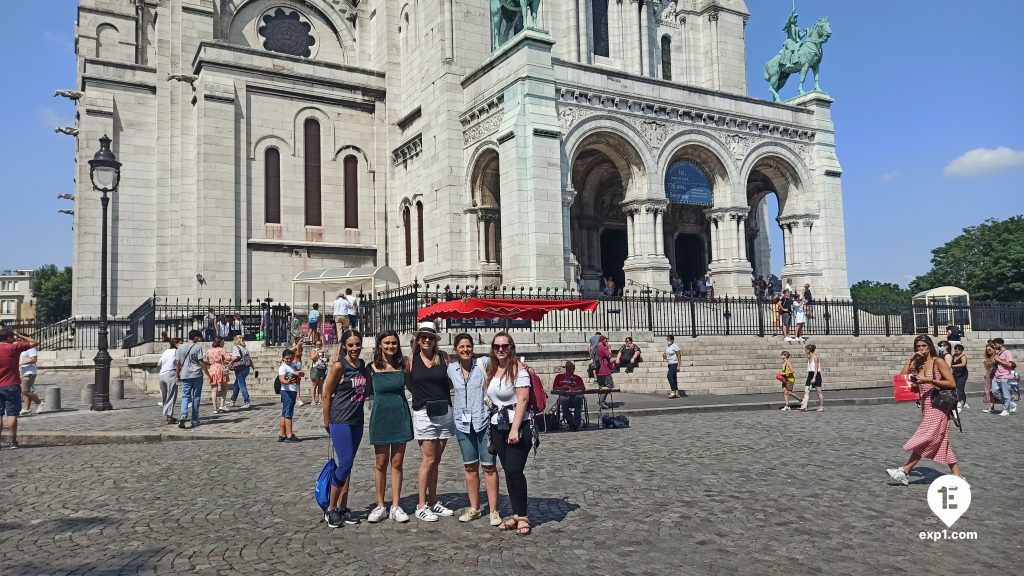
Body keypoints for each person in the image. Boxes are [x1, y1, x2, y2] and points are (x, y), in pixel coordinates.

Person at [887, 335, 963, 485]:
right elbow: (902, 377)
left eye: (923, 346)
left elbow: (951, 383)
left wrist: (928, 380)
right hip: (926, 406)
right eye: (918, 347)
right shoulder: (919, 364)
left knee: (926, 437)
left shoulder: (938, 361)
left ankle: (904, 471)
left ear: (929, 346)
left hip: (939, 406)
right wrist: (911, 360)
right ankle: (958, 477)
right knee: (941, 441)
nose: (921, 349)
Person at [483, 332, 535, 535]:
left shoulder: (519, 370)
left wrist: (515, 429)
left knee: (514, 470)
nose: (501, 349)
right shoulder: (492, 368)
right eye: (497, 346)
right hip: (498, 425)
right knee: (508, 471)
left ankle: (522, 516)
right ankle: (515, 513)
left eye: (505, 346)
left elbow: (522, 399)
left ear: (511, 347)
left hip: (518, 426)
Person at [448, 333, 503, 525]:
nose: (465, 350)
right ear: (455, 350)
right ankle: (475, 508)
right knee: (470, 467)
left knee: (489, 466)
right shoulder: (451, 369)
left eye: (468, 346)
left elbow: (505, 362)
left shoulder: (484, 363)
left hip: (484, 421)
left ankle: (494, 510)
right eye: (461, 347)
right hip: (463, 425)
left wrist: (523, 367)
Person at [407, 321, 456, 521]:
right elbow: (409, 384)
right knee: (428, 460)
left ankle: (434, 501)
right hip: (423, 412)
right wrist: (422, 396)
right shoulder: (411, 360)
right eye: (423, 337)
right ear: (418, 340)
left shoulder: (444, 358)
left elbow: (452, 382)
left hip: (443, 410)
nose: (426, 340)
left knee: (436, 460)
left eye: (430, 337)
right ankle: (421, 505)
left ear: (435, 340)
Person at [322, 329, 370, 528]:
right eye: (350, 345)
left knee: (347, 465)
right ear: (344, 346)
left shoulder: (362, 366)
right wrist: (327, 421)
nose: (354, 348)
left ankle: (343, 506)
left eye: (357, 344)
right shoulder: (338, 366)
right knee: (345, 463)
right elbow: (326, 394)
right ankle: (330, 509)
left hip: (356, 419)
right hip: (340, 419)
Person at [365, 330, 414, 523]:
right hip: (380, 417)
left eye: (393, 343)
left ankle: (395, 505)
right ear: (379, 345)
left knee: (397, 463)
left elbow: (413, 387)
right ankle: (380, 505)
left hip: (400, 416)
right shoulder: (371, 368)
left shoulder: (404, 365)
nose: (390, 346)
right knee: (380, 463)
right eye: (386, 343)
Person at [1, 328, 39, 449]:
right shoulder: (13, 348)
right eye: (12, 336)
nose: (14, 338)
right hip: (11, 385)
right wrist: (20, 335)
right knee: (12, 414)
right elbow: (34, 342)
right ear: (8, 338)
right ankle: (13, 441)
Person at [176, 330, 206, 429]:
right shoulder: (197, 347)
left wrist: (177, 375)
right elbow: (201, 362)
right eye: (199, 337)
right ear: (195, 337)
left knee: (185, 396)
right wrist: (207, 373)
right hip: (197, 374)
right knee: (196, 397)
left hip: (185, 374)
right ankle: (194, 419)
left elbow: (178, 363)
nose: (199, 339)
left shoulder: (180, 347)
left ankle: (183, 414)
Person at [278, 345, 304, 442]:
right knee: (288, 413)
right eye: (286, 359)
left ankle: (282, 434)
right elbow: (282, 379)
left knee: (284, 413)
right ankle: (289, 435)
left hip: (292, 390)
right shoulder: (283, 367)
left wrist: (299, 373)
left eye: (290, 358)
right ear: (283, 359)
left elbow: (302, 372)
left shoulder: (293, 365)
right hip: (287, 391)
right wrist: (288, 382)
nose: (288, 360)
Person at [552, 361, 586, 430]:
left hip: (575, 397)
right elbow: (554, 388)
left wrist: (572, 389)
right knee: (562, 399)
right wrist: (562, 388)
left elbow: (582, 388)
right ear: (566, 368)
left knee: (579, 398)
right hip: (565, 396)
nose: (573, 369)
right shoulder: (559, 377)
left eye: (573, 368)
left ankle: (576, 424)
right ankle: (571, 422)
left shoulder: (578, 378)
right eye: (571, 367)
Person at [991, 338, 1016, 416]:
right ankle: (1011, 404)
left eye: (995, 344)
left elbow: (1010, 365)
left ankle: (1006, 410)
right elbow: (998, 364)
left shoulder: (1007, 352)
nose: (994, 346)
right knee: (994, 391)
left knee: (1005, 394)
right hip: (997, 376)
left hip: (1004, 376)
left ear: (1001, 344)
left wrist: (999, 360)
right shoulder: (998, 353)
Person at [158, 338, 180, 424]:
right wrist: (177, 375)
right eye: (180, 343)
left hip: (162, 375)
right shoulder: (176, 351)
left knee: (165, 397)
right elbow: (178, 363)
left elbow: (159, 363)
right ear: (176, 344)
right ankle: (169, 418)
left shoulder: (165, 351)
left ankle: (168, 416)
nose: (181, 345)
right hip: (171, 373)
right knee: (171, 396)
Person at [205, 338, 230, 413]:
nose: (224, 343)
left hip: (212, 368)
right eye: (223, 342)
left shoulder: (209, 350)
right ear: (220, 342)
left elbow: (208, 360)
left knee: (214, 389)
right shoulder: (221, 349)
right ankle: (222, 405)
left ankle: (215, 408)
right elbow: (228, 358)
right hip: (220, 368)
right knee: (224, 388)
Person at [227, 335, 252, 409]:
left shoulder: (236, 347)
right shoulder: (244, 348)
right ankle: (232, 400)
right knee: (237, 384)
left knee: (241, 384)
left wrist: (230, 362)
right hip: (246, 367)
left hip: (240, 368)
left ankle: (247, 402)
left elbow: (237, 356)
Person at [799, 343, 823, 412]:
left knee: (819, 392)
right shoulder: (809, 357)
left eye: (806, 349)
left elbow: (816, 368)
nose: (805, 350)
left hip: (816, 375)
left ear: (809, 350)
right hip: (810, 375)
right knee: (806, 391)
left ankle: (821, 406)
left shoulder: (815, 358)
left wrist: (814, 377)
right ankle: (804, 406)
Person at [19, 343, 40, 415]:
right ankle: (27, 409)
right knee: (26, 391)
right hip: (22, 372)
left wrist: (22, 363)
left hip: (29, 372)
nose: (18, 341)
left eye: (20, 340)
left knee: (25, 391)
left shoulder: (31, 348)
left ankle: (39, 402)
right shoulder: (20, 349)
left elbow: (34, 360)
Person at [595, 334, 614, 409]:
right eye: (606, 339)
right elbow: (609, 356)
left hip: (598, 370)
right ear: (603, 340)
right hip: (604, 370)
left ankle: (602, 401)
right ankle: (601, 401)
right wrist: (609, 348)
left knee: (602, 387)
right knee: (609, 386)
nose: (607, 341)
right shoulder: (602, 348)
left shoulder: (596, 348)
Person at [308, 341, 329, 406]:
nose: (318, 345)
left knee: (321, 384)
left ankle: (320, 399)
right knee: (314, 385)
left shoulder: (323, 351)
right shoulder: (313, 350)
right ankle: (313, 400)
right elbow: (312, 357)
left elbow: (327, 359)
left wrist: (326, 357)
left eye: (320, 344)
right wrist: (317, 352)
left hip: (322, 368)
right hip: (315, 368)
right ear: (315, 345)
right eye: (317, 344)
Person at [950, 344, 968, 410]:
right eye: (956, 349)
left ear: (961, 350)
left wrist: (952, 366)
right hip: (955, 373)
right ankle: (965, 402)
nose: (957, 350)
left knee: (960, 387)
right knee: (959, 388)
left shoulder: (963, 356)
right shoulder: (954, 355)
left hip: (962, 374)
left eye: (958, 349)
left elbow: (963, 364)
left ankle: (959, 402)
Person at [981, 342, 997, 413]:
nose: (988, 351)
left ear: (994, 349)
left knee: (993, 391)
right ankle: (991, 407)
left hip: (995, 375)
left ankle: (1010, 403)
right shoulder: (988, 358)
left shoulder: (996, 357)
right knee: (988, 391)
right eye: (987, 350)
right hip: (988, 376)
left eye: (989, 349)